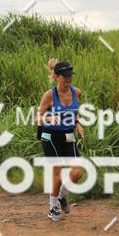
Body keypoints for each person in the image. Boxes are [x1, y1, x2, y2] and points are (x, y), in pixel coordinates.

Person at [36, 59, 84, 221]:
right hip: (50, 137)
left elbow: (75, 111)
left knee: (77, 173)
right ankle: (52, 207)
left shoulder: (77, 92)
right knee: (57, 174)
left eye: (70, 75)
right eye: (64, 76)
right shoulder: (49, 96)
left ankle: (61, 196)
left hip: (67, 136)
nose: (68, 78)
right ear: (56, 77)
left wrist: (78, 124)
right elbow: (37, 119)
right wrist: (50, 119)